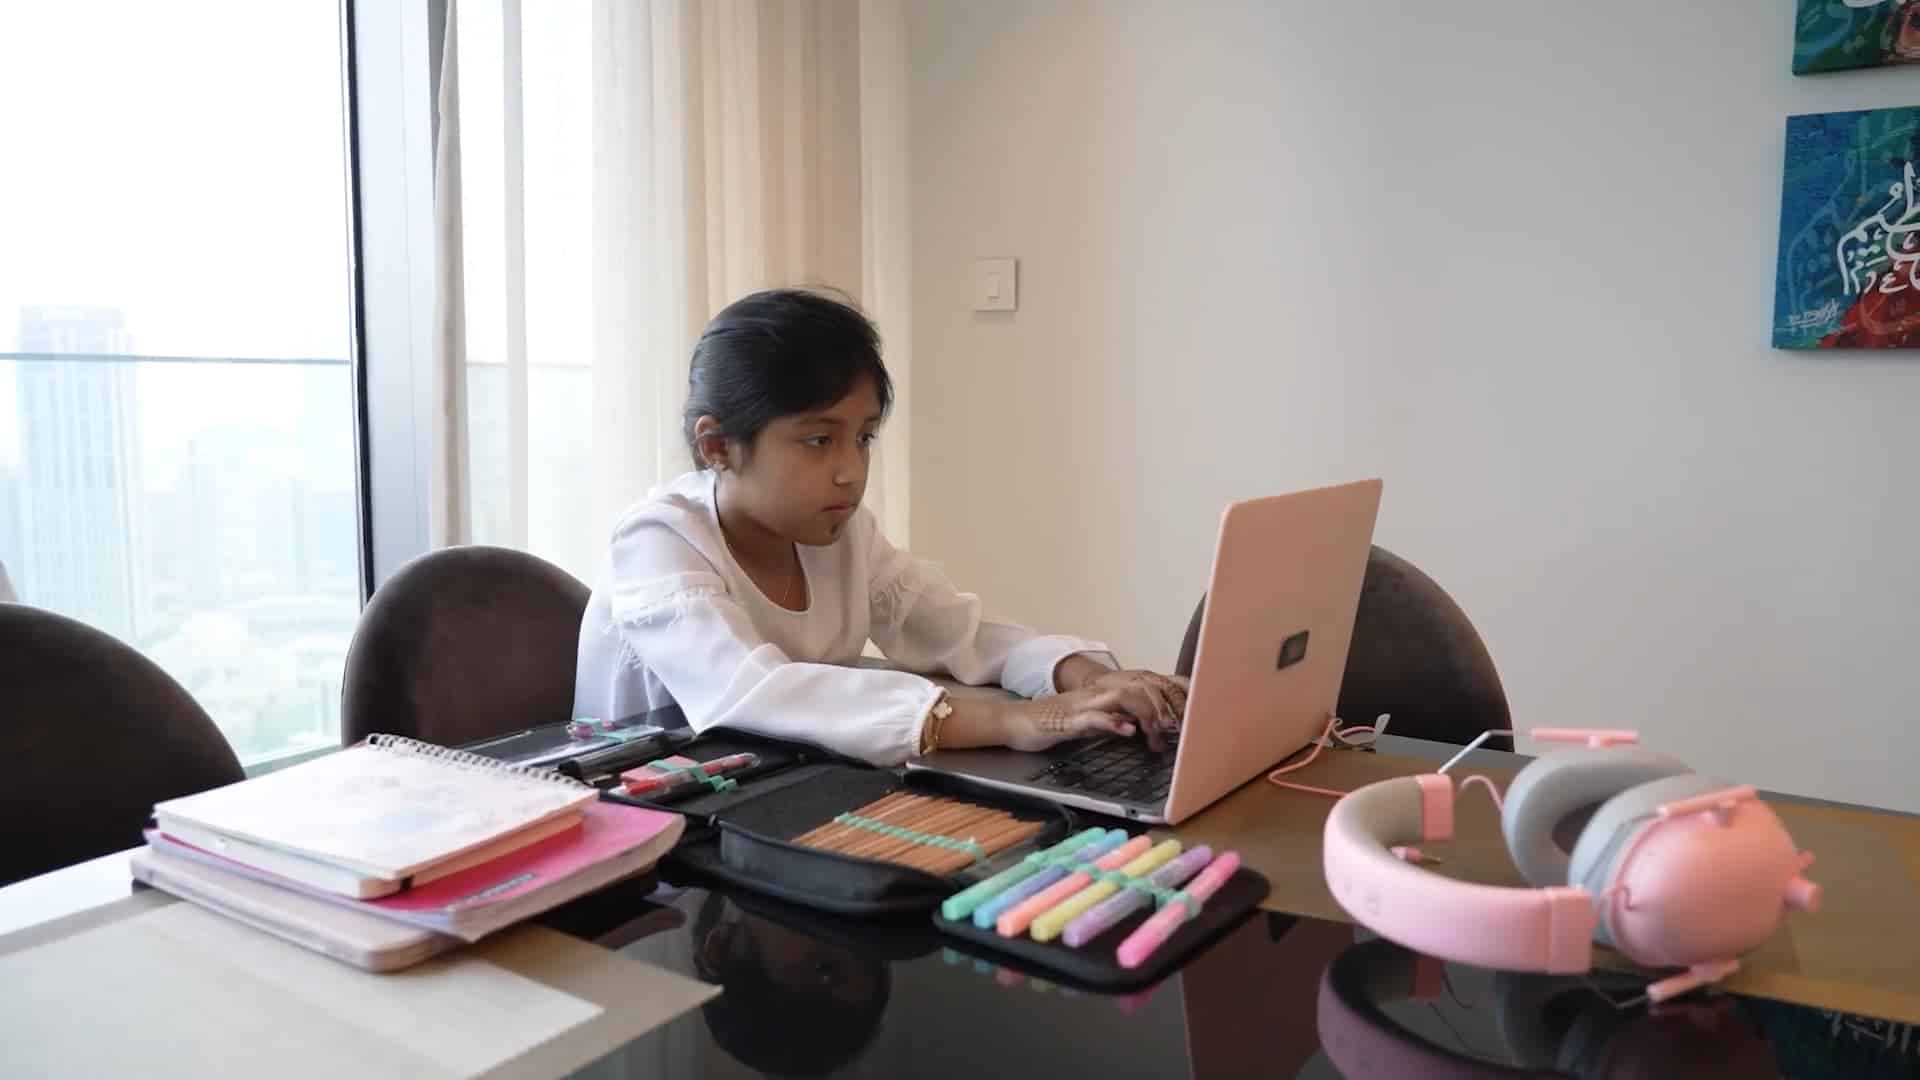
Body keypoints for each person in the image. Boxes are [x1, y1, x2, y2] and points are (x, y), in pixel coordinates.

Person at [573, 288, 1186, 767]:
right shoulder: (655, 541)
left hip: (778, 801)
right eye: (818, 440)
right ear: (717, 446)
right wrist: (1020, 721)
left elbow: (957, 632)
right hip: (650, 847)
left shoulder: (840, 532)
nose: (850, 472)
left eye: (862, 437)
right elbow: (751, 695)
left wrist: (1091, 680)